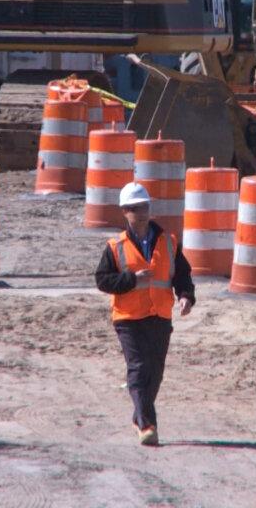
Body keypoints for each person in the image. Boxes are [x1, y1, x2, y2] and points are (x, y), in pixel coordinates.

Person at [95, 182, 195, 447]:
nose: (140, 213)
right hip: (128, 318)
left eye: (144, 207)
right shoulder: (115, 246)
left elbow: (182, 275)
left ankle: (139, 415)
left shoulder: (169, 242)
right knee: (139, 368)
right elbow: (102, 280)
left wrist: (186, 296)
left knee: (155, 372)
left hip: (159, 316)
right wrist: (131, 279)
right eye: (134, 208)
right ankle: (147, 425)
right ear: (124, 212)